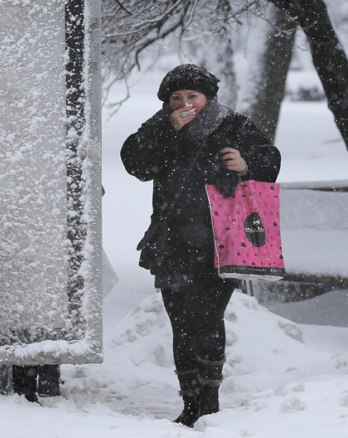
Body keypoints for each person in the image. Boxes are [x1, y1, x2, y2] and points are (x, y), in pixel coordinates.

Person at [120, 64, 280, 427]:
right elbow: (134, 162)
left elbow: (270, 160)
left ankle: (209, 401)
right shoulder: (160, 126)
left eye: (192, 96)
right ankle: (191, 402)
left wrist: (245, 163)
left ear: (208, 98)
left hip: (221, 242)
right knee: (180, 323)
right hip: (172, 241)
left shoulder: (233, 125)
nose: (184, 103)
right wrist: (167, 129)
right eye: (176, 98)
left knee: (207, 320)